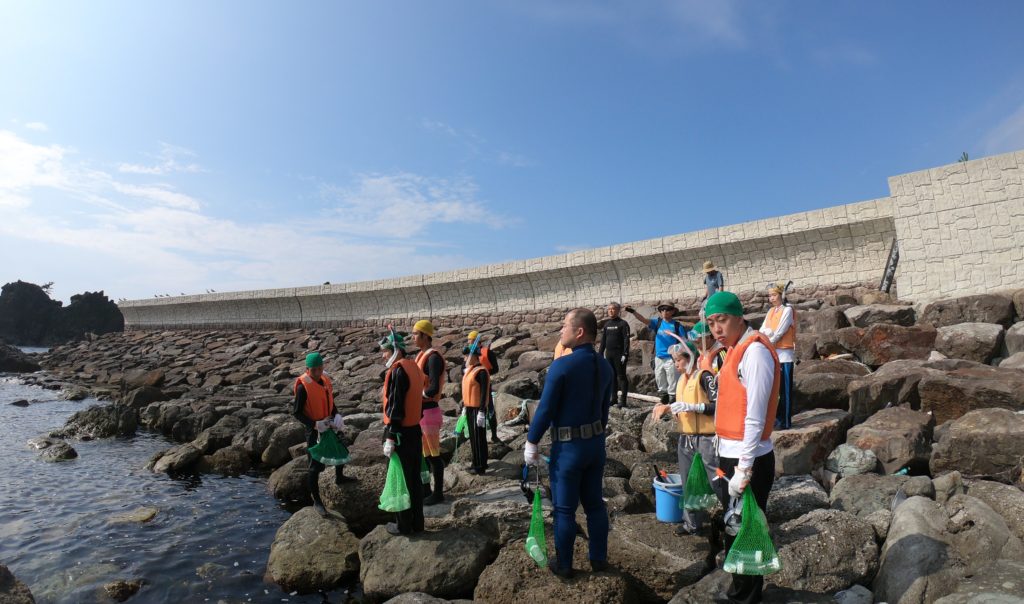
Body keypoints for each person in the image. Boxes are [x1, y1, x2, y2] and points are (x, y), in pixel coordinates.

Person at [524, 308, 614, 578]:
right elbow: (604, 409)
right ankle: (598, 559)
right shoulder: (606, 365)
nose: (560, 330)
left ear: (579, 332)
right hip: (595, 445)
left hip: (569, 449)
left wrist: (532, 442)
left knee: (564, 509)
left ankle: (564, 565)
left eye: (564, 326)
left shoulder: (562, 365)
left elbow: (545, 409)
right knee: (595, 504)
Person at [705, 291, 780, 604]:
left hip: (747, 459)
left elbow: (755, 415)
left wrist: (745, 469)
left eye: (721, 320)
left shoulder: (755, 353)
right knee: (732, 524)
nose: (716, 329)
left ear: (739, 316)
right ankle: (740, 591)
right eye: (711, 323)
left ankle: (745, 597)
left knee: (744, 528)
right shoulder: (733, 350)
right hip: (729, 454)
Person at [652, 341, 718, 536]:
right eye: (674, 360)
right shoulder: (682, 381)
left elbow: (719, 406)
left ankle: (729, 515)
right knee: (688, 480)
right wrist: (667, 409)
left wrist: (694, 407)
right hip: (686, 438)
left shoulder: (705, 377)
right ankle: (692, 523)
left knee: (716, 480)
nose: (675, 364)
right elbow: (679, 409)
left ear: (690, 359)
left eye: (678, 360)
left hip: (707, 438)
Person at [293, 351, 354, 518]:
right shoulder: (302, 387)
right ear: (308, 369)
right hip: (314, 429)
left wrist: (337, 415)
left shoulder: (325, 380)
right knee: (315, 466)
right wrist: (314, 424)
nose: (318, 372)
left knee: (342, 449)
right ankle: (317, 501)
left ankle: (339, 477)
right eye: (314, 370)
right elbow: (297, 413)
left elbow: (330, 402)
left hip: (329, 423)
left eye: (320, 368)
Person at [379, 332, 426, 536]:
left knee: (401, 480)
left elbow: (396, 406)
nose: (383, 356)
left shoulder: (398, 372)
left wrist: (390, 436)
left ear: (396, 351)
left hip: (400, 434)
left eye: (385, 351)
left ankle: (403, 525)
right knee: (414, 480)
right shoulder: (414, 367)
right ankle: (418, 523)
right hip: (415, 431)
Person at [412, 320, 446, 505]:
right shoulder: (420, 355)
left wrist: (419, 394)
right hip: (420, 412)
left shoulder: (433, 357)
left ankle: (438, 492)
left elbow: (433, 387)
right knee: (425, 454)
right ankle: (427, 489)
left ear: (425, 336)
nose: (413, 338)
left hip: (429, 412)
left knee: (434, 455)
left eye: (416, 334)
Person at [625, 301, 687, 404]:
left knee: (672, 379)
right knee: (659, 378)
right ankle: (663, 398)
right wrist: (633, 312)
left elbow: (684, 341)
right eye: (662, 309)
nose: (664, 311)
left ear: (672, 311)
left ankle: (673, 400)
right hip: (659, 357)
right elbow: (643, 320)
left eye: (667, 309)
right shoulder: (657, 323)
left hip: (671, 358)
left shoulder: (677, 326)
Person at [759, 282, 796, 429]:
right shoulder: (770, 312)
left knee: (785, 391)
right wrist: (765, 337)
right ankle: (776, 418)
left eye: (774, 295)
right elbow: (763, 329)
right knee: (775, 390)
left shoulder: (788, 310)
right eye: (770, 296)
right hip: (773, 354)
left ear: (781, 295)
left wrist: (769, 340)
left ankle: (786, 421)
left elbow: (780, 331)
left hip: (785, 354)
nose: (771, 298)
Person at [461, 340, 491, 474]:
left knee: (479, 438)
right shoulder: (470, 370)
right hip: (469, 408)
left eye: (466, 356)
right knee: (473, 437)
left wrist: (481, 411)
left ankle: (480, 466)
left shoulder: (481, 372)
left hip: (477, 409)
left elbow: (484, 393)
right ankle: (476, 461)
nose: (464, 359)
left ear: (473, 356)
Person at [467, 330, 502, 443]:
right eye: (468, 341)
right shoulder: (468, 354)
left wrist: (484, 374)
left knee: (489, 409)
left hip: (484, 384)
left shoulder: (488, 353)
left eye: (471, 341)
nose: (469, 343)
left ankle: (494, 435)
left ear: (477, 341)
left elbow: (496, 368)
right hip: (472, 386)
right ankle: (476, 435)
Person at [598, 302, 631, 407]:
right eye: (609, 309)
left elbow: (626, 339)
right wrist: (599, 354)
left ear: (618, 310)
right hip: (609, 354)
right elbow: (603, 341)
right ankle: (614, 398)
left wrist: (625, 353)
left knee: (621, 376)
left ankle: (623, 401)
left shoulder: (623, 324)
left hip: (619, 354)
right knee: (611, 376)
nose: (610, 311)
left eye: (613, 309)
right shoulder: (607, 324)